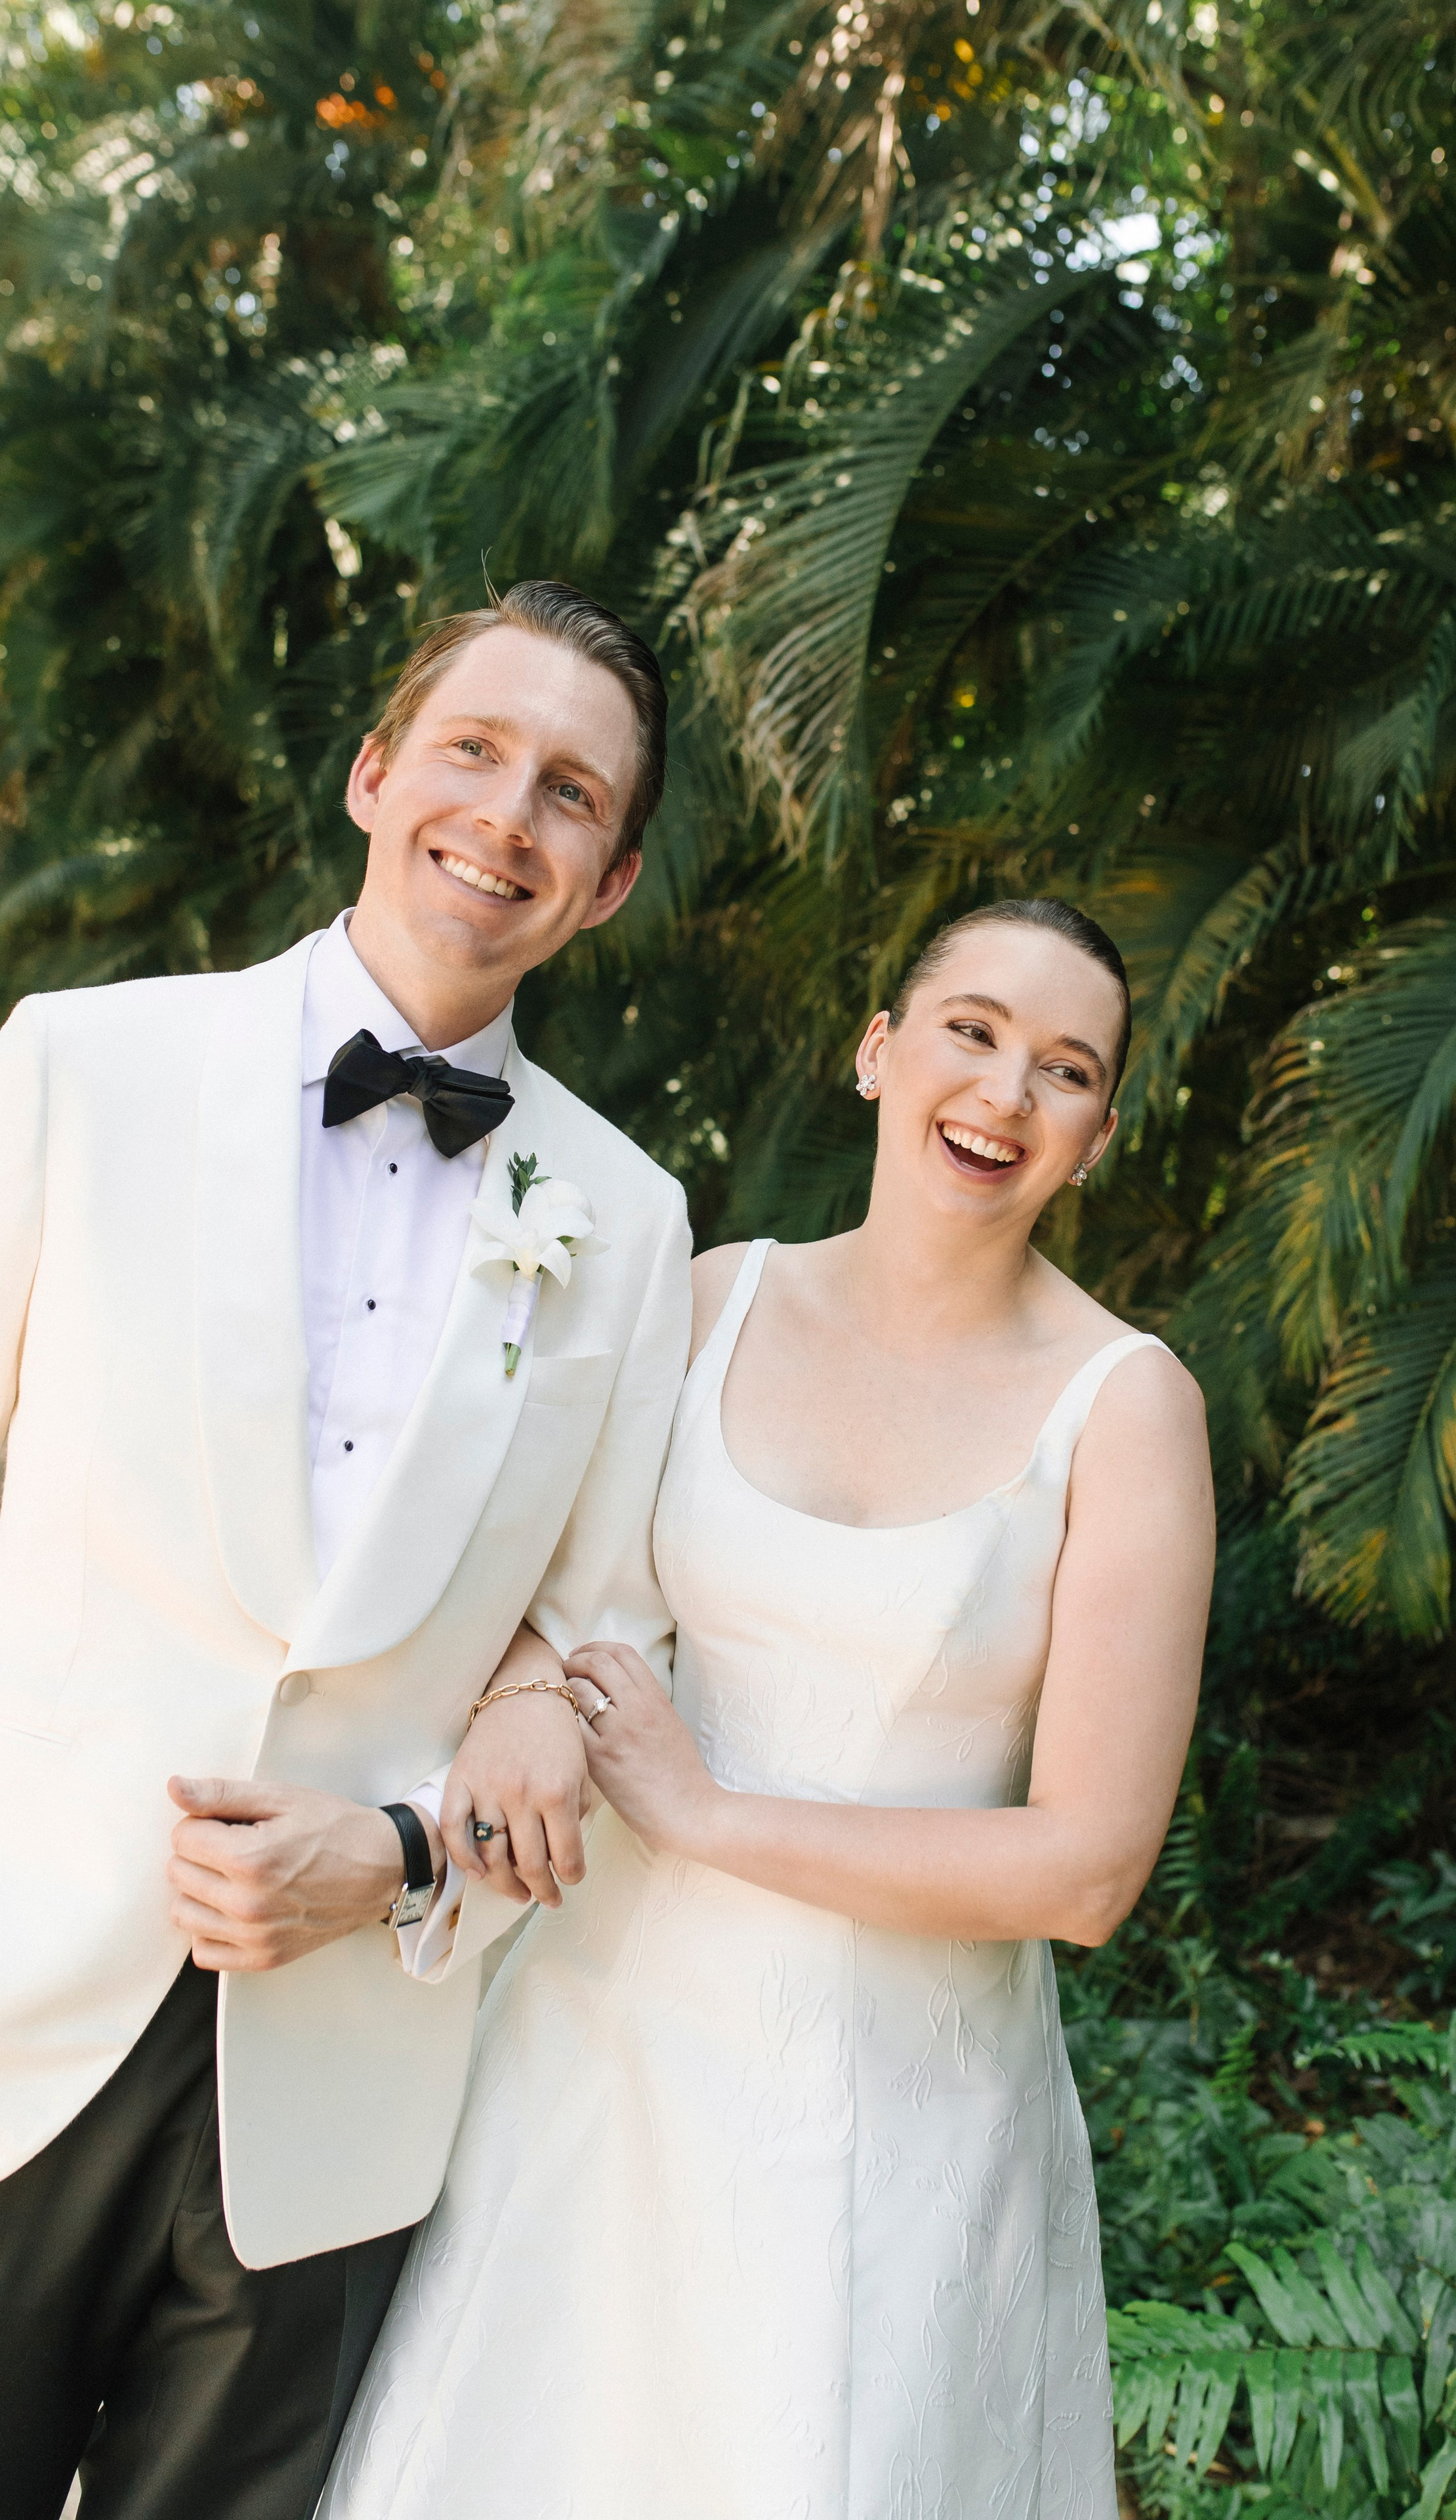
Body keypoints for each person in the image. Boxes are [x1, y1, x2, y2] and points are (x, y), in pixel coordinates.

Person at [0, 581, 690, 2520]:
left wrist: (417, 1859)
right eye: (473, 750)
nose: (509, 815)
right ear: (375, 774)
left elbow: (594, 1655)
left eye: (573, 795)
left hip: (338, 2109)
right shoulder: (78, 1066)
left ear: (608, 883)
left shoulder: (625, 1217)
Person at [323, 896, 1215, 2520]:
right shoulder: (708, 1293)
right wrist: (531, 1688)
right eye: (970, 1030)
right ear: (877, 1052)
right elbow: (542, 1591)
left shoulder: (1125, 1407)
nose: (1004, 1094)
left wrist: (710, 1814)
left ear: (1094, 1136)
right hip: (593, 2064)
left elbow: (1083, 1872)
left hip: (898, 2117)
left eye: (1063, 1070)